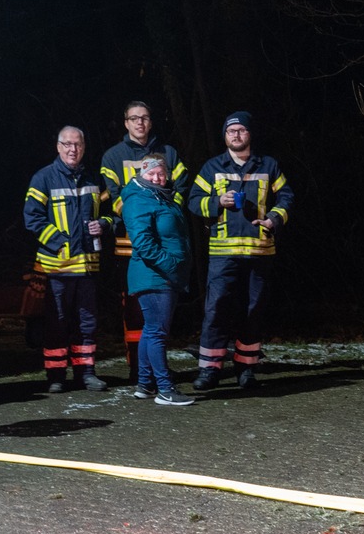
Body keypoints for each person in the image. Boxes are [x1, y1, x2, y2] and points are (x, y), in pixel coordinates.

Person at [188, 111, 293, 390]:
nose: (236, 135)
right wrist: (215, 202)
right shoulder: (212, 167)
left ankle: (246, 368)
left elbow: (287, 196)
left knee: (253, 310)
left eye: (241, 130)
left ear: (249, 134)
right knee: (216, 309)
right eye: (230, 131)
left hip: (260, 252)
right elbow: (193, 201)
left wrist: (274, 218)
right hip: (223, 253)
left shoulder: (268, 165)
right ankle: (210, 369)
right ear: (225, 136)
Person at [100, 101, 190, 381]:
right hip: (129, 245)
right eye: (134, 118)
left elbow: (181, 188)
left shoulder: (170, 153)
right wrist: (141, 217)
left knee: (159, 317)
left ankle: (151, 370)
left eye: (145, 118)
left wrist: (165, 214)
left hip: (164, 243)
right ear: (125, 123)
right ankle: (137, 367)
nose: (140, 123)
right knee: (134, 313)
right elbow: (114, 197)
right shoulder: (113, 156)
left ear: (151, 122)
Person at [23, 126, 113, 393]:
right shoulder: (43, 178)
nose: (73, 149)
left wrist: (105, 224)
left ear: (84, 147)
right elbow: (32, 218)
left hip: (87, 267)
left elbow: (111, 212)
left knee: (87, 323)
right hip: (57, 268)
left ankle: (86, 373)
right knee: (57, 322)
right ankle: (56, 376)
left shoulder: (94, 178)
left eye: (78, 145)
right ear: (58, 147)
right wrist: (59, 242)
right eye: (67, 144)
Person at [121, 154, 195, 405]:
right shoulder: (138, 199)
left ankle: (145, 384)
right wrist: (171, 264)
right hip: (154, 276)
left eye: (161, 173)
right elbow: (142, 242)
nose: (157, 177)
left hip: (163, 276)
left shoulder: (161, 196)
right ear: (142, 173)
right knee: (157, 332)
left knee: (151, 330)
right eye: (151, 173)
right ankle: (165, 388)